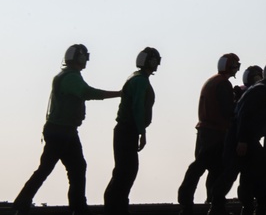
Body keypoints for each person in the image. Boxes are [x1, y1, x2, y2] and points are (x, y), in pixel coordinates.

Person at [12, 44, 121, 215]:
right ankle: (74, 207)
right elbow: (87, 93)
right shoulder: (71, 78)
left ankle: (25, 202)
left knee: (71, 168)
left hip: (64, 131)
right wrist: (120, 93)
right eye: (85, 56)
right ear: (79, 58)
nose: (86, 60)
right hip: (62, 132)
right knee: (63, 169)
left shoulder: (67, 75)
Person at [210, 60, 266, 215]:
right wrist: (242, 140)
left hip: (248, 138)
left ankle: (249, 207)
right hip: (240, 138)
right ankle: (216, 207)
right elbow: (244, 115)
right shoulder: (261, 91)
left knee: (251, 172)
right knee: (231, 172)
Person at [178, 53, 241, 215]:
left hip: (205, 130)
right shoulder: (223, 84)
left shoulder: (212, 81)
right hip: (216, 132)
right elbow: (227, 110)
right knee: (210, 166)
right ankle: (196, 200)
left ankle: (208, 199)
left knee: (210, 166)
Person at [104, 47, 160, 215]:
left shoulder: (135, 78)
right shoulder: (141, 81)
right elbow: (138, 107)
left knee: (123, 171)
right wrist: (142, 132)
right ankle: (117, 208)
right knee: (127, 171)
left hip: (125, 131)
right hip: (128, 131)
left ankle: (115, 206)